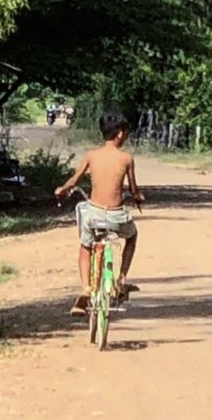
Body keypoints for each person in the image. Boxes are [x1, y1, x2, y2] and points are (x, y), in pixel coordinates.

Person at [54, 111, 145, 315]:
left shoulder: (91, 155)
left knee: (85, 247)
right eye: (125, 132)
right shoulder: (126, 158)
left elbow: (74, 180)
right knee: (132, 236)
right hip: (116, 216)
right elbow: (133, 189)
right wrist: (138, 197)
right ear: (119, 133)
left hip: (94, 215)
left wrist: (62, 189)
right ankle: (122, 279)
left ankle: (86, 288)